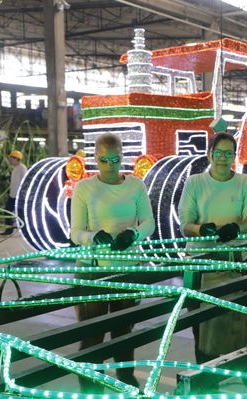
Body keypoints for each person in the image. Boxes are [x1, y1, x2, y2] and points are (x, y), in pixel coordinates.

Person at [178, 132, 247, 391]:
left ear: (234, 156)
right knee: (203, 331)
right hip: (200, 268)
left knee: (245, 328)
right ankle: (206, 386)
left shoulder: (245, 183)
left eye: (229, 153)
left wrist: (238, 229)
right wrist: (201, 230)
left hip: (236, 267)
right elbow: (185, 223)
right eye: (219, 152)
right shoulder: (195, 183)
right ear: (210, 154)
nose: (223, 158)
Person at [70, 132, 155, 392]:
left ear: (122, 158)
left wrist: (134, 233)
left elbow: (148, 222)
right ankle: (91, 386)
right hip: (93, 271)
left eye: (114, 159)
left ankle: (126, 382)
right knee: (92, 335)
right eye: (104, 160)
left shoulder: (135, 186)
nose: (109, 165)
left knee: (124, 334)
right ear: (95, 158)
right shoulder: (85, 188)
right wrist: (95, 237)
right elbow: (75, 233)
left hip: (127, 269)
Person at [0, 150, 28, 235]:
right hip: (13, 194)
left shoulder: (22, 168)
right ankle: (9, 229)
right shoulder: (15, 169)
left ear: (16, 159)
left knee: (20, 213)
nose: (10, 161)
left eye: (12, 159)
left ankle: (25, 230)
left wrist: (22, 194)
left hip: (19, 196)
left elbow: (24, 182)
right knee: (7, 211)